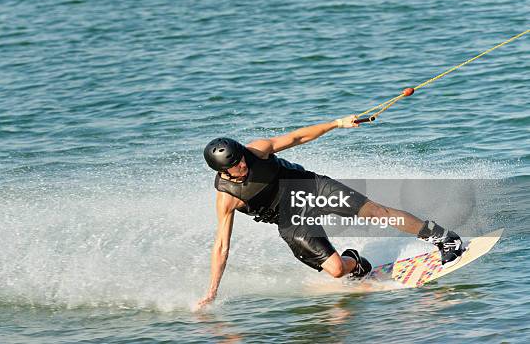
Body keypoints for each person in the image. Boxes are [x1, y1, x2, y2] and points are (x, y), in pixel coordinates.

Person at [197, 115, 463, 308]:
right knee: (336, 270)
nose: (243, 164)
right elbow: (221, 246)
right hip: (290, 218)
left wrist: (337, 123)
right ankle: (356, 263)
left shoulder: (257, 150)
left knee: (376, 212)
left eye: (241, 158)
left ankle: (442, 237)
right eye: (236, 166)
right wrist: (212, 291)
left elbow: (297, 137)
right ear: (222, 171)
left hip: (308, 186)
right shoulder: (227, 198)